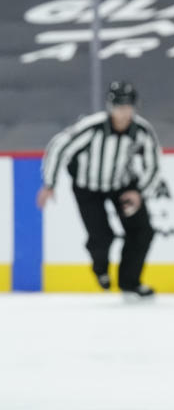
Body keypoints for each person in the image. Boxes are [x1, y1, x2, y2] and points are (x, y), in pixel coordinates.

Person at [37, 81, 159, 299]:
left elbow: (153, 164)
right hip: (87, 187)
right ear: (110, 106)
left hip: (122, 186)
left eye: (129, 106)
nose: (124, 112)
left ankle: (130, 283)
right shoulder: (91, 128)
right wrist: (50, 183)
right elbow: (59, 146)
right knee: (102, 236)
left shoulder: (140, 130)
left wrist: (139, 193)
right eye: (120, 106)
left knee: (142, 232)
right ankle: (100, 269)